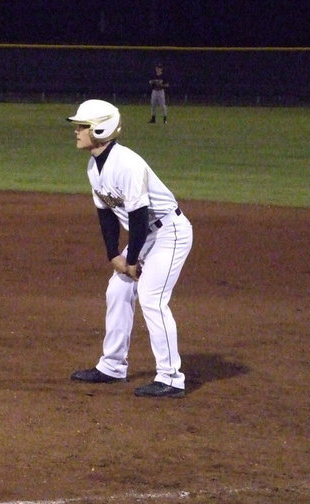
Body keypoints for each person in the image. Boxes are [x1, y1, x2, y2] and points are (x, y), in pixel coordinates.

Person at [66, 100, 192, 398]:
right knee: (118, 290)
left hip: (169, 232)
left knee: (151, 297)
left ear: (100, 128)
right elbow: (106, 214)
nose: (77, 131)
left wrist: (131, 260)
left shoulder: (127, 164)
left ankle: (171, 377)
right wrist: (114, 257)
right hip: (147, 235)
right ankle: (112, 366)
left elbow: (137, 218)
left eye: (82, 126)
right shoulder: (94, 167)